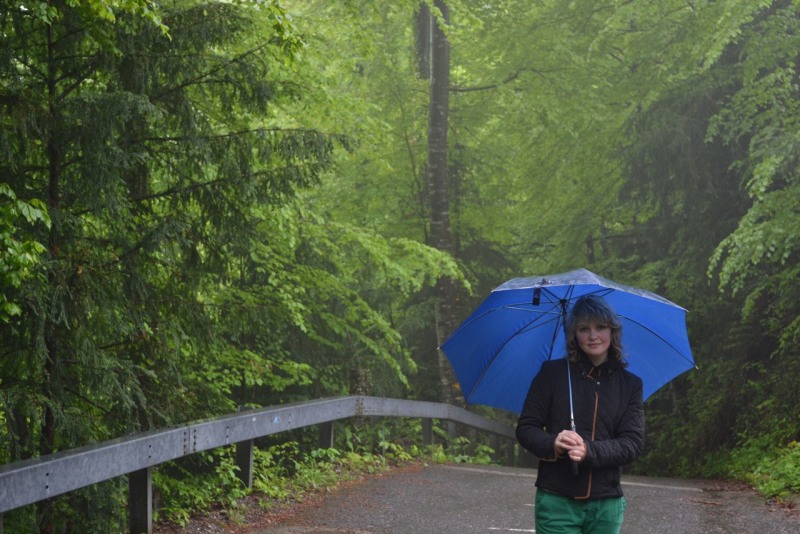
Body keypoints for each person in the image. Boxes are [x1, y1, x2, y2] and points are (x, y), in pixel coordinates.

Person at [516, 294, 645, 534]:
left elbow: (632, 443)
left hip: (606, 503)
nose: (593, 336)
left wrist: (589, 451)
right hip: (556, 499)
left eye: (600, 327)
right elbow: (526, 427)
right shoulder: (552, 374)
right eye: (584, 328)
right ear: (574, 334)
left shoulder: (630, 385)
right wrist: (552, 442)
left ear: (612, 331)